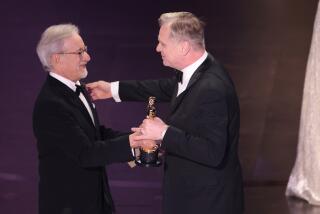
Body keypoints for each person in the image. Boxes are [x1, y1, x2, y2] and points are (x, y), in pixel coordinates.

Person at [87, 12, 244, 214]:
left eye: (163, 43)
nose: (157, 48)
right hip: (191, 194)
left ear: (184, 47)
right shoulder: (197, 71)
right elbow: (163, 87)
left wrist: (163, 132)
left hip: (206, 202)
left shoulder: (212, 88)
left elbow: (212, 152)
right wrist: (111, 90)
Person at [33, 24, 155, 214]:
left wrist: (138, 139)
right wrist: (131, 144)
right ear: (57, 59)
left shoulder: (77, 88)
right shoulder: (51, 104)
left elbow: (96, 134)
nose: (87, 57)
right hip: (71, 206)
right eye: (80, 52)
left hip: (95, 201)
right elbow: (85, 153)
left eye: (86, 50)